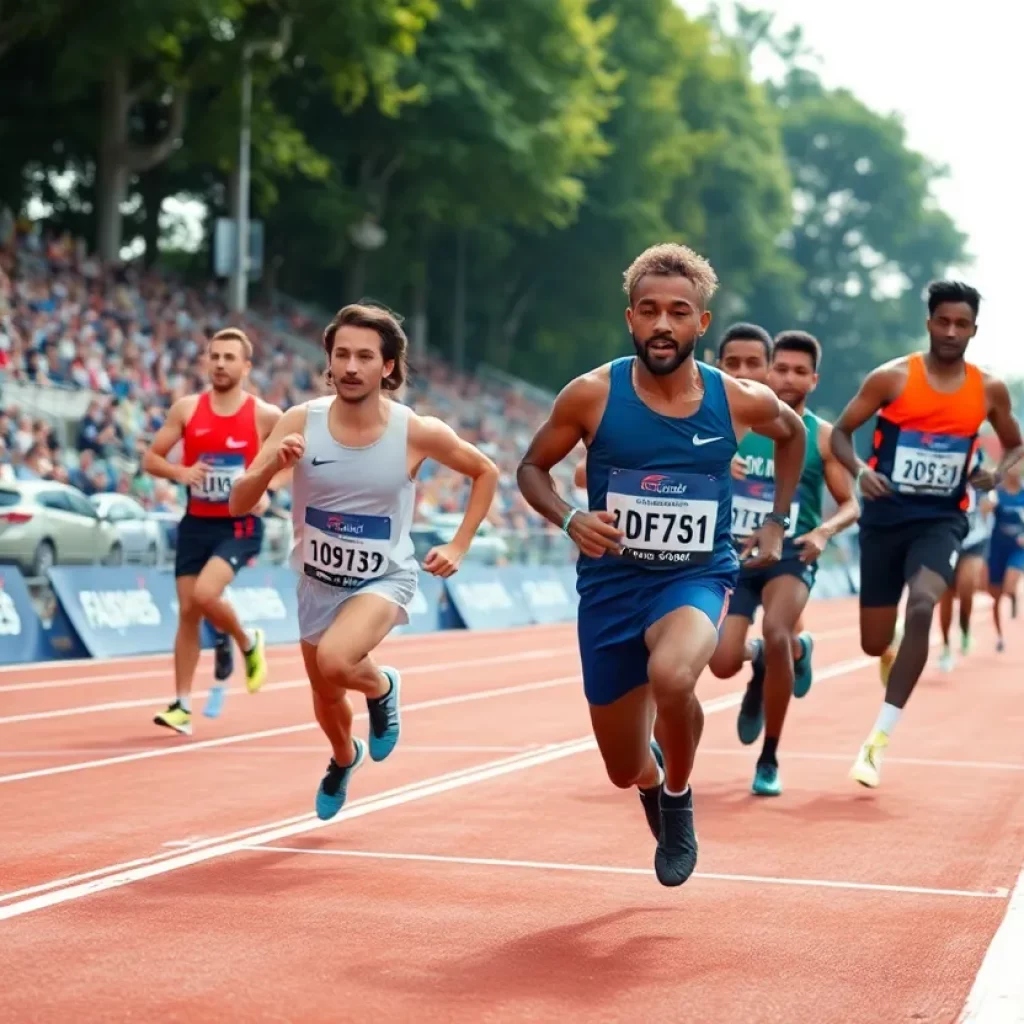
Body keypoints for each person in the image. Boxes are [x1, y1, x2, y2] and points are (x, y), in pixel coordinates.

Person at [517, 243, 806, 886]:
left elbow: (795, 434)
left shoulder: (737, 399)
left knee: (674, 676)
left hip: (695, 575)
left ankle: (677, 796)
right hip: (612, 587)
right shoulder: (591, 394)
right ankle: (651, 781)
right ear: (631, 319)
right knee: (622, 768)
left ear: (701, 323)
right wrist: (570, 517)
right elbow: (531, 468)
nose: (663, 325)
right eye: (649, 311)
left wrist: (777, 518)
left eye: (679, 312)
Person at [230, 303, 498, 820]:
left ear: (389, 367)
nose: (351, 367)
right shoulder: (298, 421)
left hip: (383, 577)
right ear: (328, 363)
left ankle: (382, 684)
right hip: (316, 581)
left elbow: (484, 472)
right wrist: (271, 467)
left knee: (336, 661)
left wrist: (460, 543)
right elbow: (239, 502)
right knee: (326, 698)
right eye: (342, 355)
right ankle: (342, 757)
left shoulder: (415, 430)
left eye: (365, 357)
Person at [830, 281, 1024, 788]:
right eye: (943, 321)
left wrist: (994, 471)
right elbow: (840, 432)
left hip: (942, 518)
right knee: (874, 644)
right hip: (885, 516)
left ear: (974, 330)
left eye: (962, 324)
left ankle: (878, 740)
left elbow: (1015, 444)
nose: (951, 331)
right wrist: (859, 471)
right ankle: (891, 648)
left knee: (921, 604)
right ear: (929, 322)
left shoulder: (988, 389)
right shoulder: (892, 378)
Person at [710, 329, 859, 795]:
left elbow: (850, 504)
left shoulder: (822, 436)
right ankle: (785, 656)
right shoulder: (730, 423)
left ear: (813, 380)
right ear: (767, 369)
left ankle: (769, 758)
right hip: (737, 555)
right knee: (721, 662)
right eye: (781, 369)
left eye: (800, 372)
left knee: (776, 630)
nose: (788, 379)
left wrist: (822, 531)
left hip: (792, 555)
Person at [142, 328, 278, 735]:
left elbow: (295, 457)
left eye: (229, 357)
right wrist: (180, 471)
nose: (220, 363)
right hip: (196, 522)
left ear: (246, 366)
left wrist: (267, 489)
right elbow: (151, 458)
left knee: (205, 594)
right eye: (214, 356)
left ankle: (247, 640)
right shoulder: (186, 410)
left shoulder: (264, 415)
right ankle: (182, 705)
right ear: (206, 362)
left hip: (239, 523)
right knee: (187, 613)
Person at [937, 449, 989, 670]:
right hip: (947, 541)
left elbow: (990, 499)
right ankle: (947, 646)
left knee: (967, 586)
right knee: (946, 596)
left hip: (974, 540)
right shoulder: (941, 480)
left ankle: (965, 628)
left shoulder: (980, 482)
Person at [985, 462, 1024, 653]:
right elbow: (983, 515)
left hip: (1017, 548)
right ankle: (1000, 636)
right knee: (996, 596)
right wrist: (986, 507)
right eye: (1010, 467)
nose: (1014, 471)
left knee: (1009, 585)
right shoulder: (996, 493)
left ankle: (1014, 594)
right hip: (997, 548)